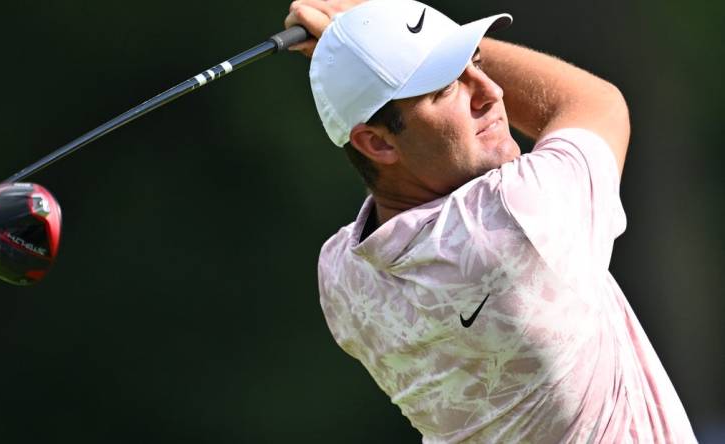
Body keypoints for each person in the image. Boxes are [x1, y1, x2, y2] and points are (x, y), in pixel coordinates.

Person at [285, 0, 697, 442]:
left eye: (476, 64)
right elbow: (595, 102)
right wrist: (360, 24)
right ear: (376, 143)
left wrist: (356, 53)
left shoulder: (342, 282)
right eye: (445, 88)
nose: (491, 92)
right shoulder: (517, 213)